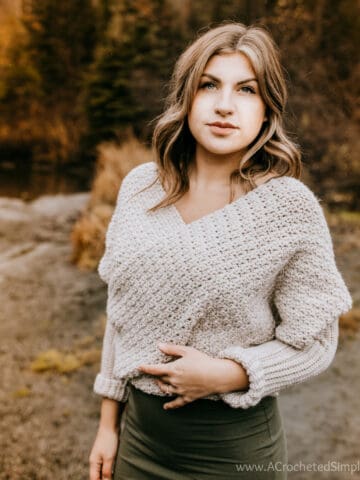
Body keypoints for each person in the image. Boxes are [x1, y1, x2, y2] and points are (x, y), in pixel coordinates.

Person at [89, 22, 352, 480]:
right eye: (209, 85)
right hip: (139, 441)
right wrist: (108, 424)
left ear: (267, 109)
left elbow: (316, 342)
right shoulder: (140, 188)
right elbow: (122, 314)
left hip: (232, 452)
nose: (224, 105)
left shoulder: (287, 207)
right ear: (186, 97)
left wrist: (230, 373)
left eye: (246, 90)